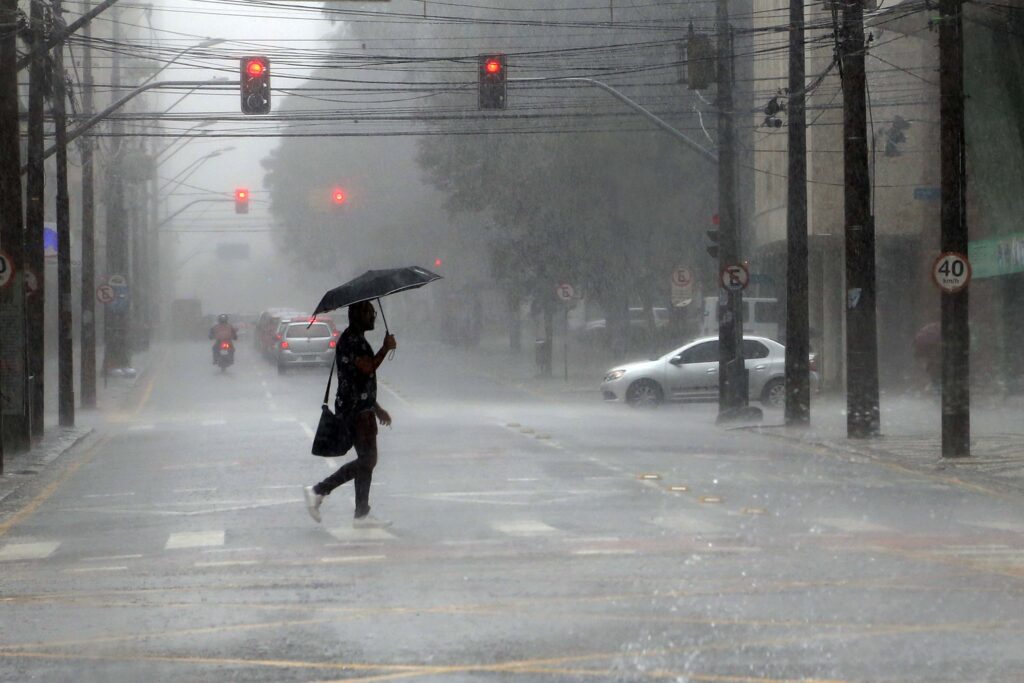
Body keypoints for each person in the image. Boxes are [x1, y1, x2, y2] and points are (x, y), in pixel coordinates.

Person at [304, 300, 397, 528]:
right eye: (369, 313)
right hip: (355, 411)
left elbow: (360, 380)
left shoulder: (356, 338)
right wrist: (385, 348)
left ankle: (362, 514)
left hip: (362, 409)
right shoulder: (351, 341)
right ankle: (318, 490)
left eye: (374, 312)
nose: (373, 316)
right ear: (357, 315)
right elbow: (367, 368)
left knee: (367, 460)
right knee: (368, 459)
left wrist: (376, 408)